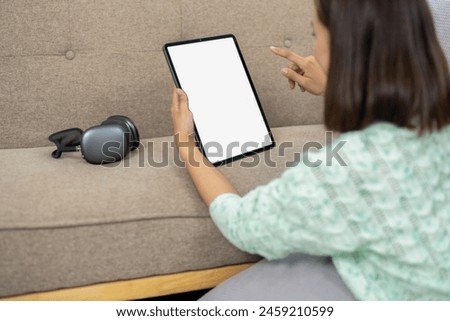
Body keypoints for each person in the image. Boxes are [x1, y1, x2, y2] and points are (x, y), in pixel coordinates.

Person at [170, 0, 450, 300]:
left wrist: (187, 146)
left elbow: (242, 224)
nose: (315, 52)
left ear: (345, 46)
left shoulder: (342, 170)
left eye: (316, 36)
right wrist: (336, 86)